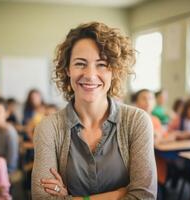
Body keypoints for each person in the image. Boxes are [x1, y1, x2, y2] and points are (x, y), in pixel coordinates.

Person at [31, 22, 157, 199]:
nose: (90, 75)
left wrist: (69, 198)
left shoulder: (137, 121)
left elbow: (143, 197)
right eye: (80, 64)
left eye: (102, 64)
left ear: (114, 70)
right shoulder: (48, 128)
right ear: (67, 69)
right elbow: (42, 198)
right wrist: (117, 195)